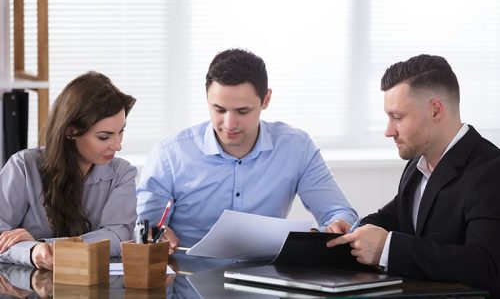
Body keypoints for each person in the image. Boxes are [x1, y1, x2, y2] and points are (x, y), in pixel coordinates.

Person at [137, 48, 357, 253]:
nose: (229, 124)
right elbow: (143, 229)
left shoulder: (296, 147)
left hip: (265, 285)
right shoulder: (170, 155)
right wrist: (157, 233)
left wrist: (335, 226)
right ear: (207, 100)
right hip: (187, 286)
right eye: (219, 109)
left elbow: (340, 213)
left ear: (266, 100)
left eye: (243, 111)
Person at [327, 54, 500, 296]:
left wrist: (388, 248)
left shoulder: (491, 171)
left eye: (397, 117)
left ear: (436, 110)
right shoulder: (417, 166)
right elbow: (390, 218)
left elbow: (487, 267)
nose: (388, 131)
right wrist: (350, 233)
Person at [0, 71, 137, 270]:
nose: (117, 146)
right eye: (104, 137)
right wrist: (32, 252)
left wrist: (45, 246)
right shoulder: (23, 167)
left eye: (121, 132)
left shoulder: (122, 173)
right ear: (71, 131)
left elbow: (119, 236)